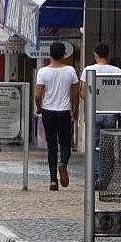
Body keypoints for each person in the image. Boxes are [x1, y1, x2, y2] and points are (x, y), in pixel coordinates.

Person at [35, 42, 79, 191]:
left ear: (50, 54)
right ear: (64, 55)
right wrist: (75, 110)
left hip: (48, 112)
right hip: (64, 112)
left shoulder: (43, 72)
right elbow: (75, 93)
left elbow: (38, 95)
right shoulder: (70, 71)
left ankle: (53, 180)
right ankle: (64, 163)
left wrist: (39, 108)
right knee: (66, 144)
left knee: (51, 146)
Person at [80, 43, 121, 188]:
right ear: (108, 54)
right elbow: (120, 92)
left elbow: (83, 94)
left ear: (95, 55)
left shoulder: (88, 70)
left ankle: (95, 176)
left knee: (93, 146)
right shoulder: (117, 71)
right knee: (107, 146)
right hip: (111, 113)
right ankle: (105, 177)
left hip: (94, 112)